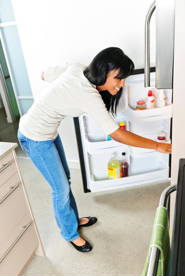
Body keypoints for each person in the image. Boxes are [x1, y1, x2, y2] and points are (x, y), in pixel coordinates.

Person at [17, 47, 171, 253]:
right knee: (60, 188)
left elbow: (45, 74)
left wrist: (48, 80)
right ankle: (69, 233)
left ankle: (72, 221)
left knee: (65, 181)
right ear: (103, 72)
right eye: (119, 78)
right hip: (33, 137)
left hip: (47, 134)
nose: (122, 84)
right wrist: (157, 145)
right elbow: (117, 133)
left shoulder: (77, 69)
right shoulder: (88, 95)